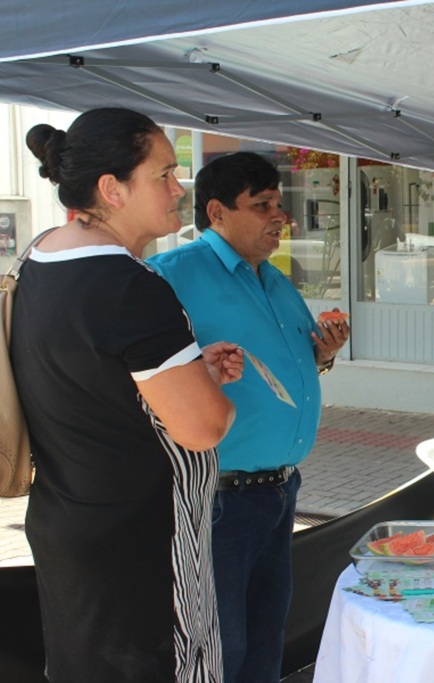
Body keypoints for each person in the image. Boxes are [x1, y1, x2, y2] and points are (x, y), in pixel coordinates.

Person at [12, 107, 243, 682]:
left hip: (70, 526)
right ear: (112, 189)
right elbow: (203, 427)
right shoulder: (130, 286)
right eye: (163, 174)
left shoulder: (37, 260)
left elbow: (95, 384)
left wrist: (189, 373)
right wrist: (211, 396)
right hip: (142, 545)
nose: (178, 188)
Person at [147, 151, 348, 682]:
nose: (279, 217)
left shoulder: (274, 279)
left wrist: (323, 353)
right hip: (219, 497)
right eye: (262, 206)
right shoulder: (169, 276)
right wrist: (203, 371)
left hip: (280, 492)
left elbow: (298, 361)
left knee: (264, 644)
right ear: (217, 212)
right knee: (222, 649)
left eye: (278, 205)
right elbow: (140, 379)